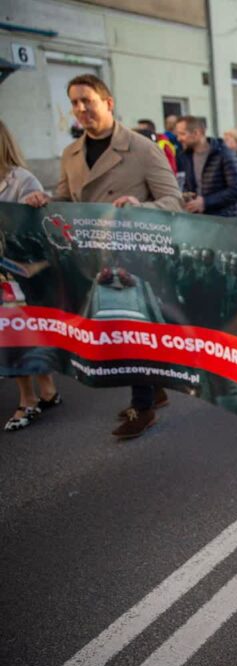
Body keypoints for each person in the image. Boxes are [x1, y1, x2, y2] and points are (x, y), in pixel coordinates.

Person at [21, 73, 182, 439]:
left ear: (108, 103)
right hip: (92, 257)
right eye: (74, 103)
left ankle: (142, 408)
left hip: (134, 257)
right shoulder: (71, 154)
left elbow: (174, 199)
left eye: (87, 101)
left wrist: (141, 206)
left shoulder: (141, 148)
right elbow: (65, 199)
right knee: (113, 331)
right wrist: (43, 201)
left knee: (131, 329)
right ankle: (152, 387)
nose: (80, 109)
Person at [0, 119, 63, 432]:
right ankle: (36, 394)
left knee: (24, 332)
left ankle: (37, 395)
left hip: (20, 273)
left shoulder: (20, 178)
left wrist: (35, 203)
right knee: (13, 336)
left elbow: (40, 219)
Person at [175, 115, 237, 218]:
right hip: (198, 221)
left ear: (196, 133)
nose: (179, 138)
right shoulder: (184, 156)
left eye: (182, 134)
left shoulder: (224, 153)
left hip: (224, 221)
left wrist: (205, 202)